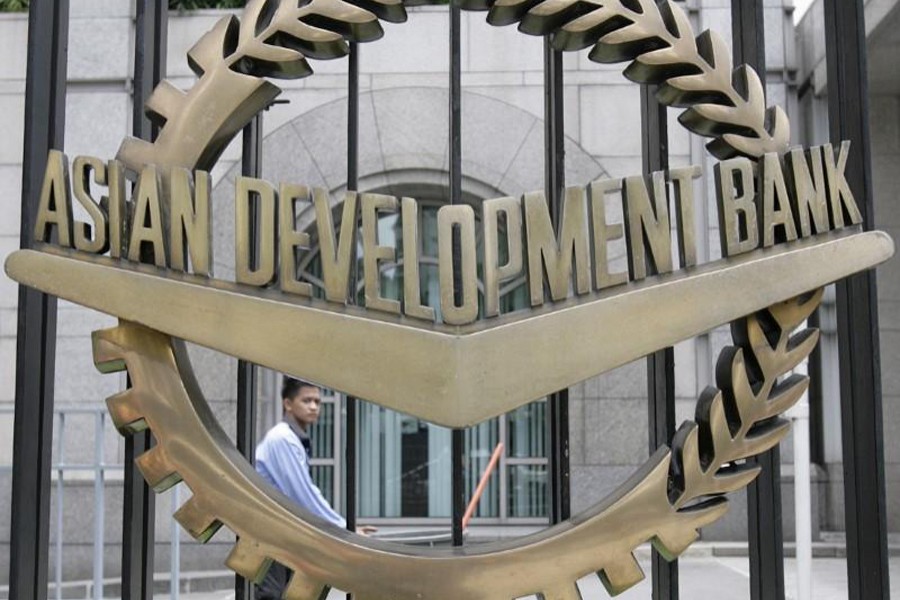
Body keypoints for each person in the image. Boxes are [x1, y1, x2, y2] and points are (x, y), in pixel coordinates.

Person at [254, 377, 361, 599]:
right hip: (271, 533)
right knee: (272, 594)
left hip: (282, 533)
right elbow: (302, 494)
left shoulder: (292, 438)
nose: (314, 407)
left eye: (317, 401)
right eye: (306, 401)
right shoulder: (282, 439)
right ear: (288, 404)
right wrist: (342, 527)